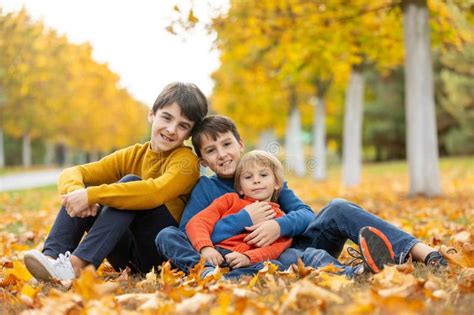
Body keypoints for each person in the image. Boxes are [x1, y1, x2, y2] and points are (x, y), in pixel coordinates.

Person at [157, 115, 447, 277]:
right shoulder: (207, 189)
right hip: (238, 257)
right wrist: (243, 219)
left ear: (240, 144)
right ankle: (352, 272)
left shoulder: (264, 176)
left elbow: (306, 214)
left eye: (226, 144)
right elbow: (189, 233)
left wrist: (277, 226)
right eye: (211, 150)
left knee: (337, 207)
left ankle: (424, 254)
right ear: (204, 160)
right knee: (170, 233)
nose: (222, 154)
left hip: (291, 248)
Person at [23, 82, 208, 282]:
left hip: (162, 256)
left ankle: (75, 266)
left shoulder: (186, 162)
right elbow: (74, 172)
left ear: (189, 133)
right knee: (87, 189)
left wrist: (92, 196)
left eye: (183, 126)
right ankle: (51, 261)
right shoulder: (133, 154)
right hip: (126, 258)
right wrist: (79, 192)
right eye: (166, 117)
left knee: (130, 186)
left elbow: (154, 192)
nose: (171, 129)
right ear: (152, 114)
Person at [157, 150, 292, 279]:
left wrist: (248, 257)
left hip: (242, 263)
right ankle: (204, 271)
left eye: (263, 175)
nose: (256, 180)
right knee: (167, 234)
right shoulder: (229, 200)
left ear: (276, 183)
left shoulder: (279, 219)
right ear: (240, 187)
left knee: (275, 266)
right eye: (248, 177)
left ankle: (226, 280)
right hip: (211, 255)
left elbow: (275, 249)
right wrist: (205, 248)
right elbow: (197, 222)